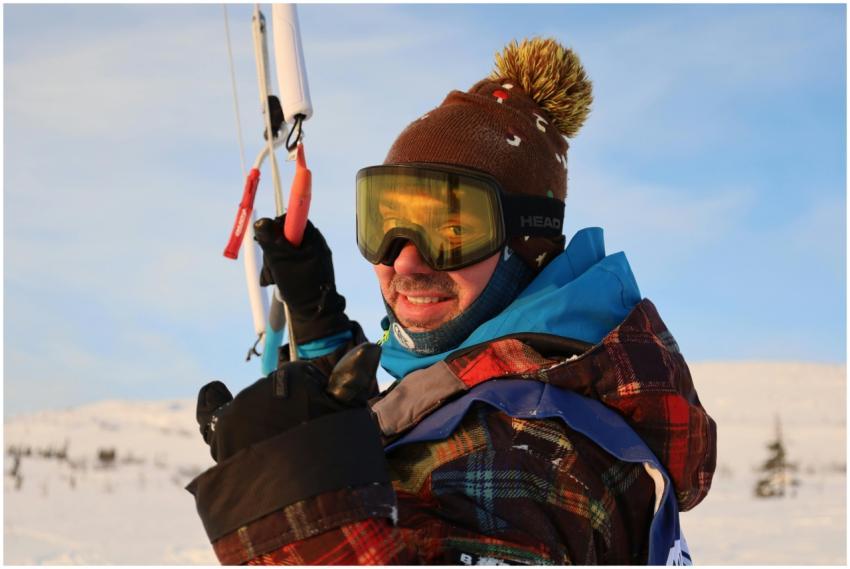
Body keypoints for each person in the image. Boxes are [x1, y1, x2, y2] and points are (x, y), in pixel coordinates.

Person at [188, 37, 716, 565]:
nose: (405, 263)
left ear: (526, 241)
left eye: (453, 228)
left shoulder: (533, 456)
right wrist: (319, 324)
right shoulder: (546, 387)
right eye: (386, 224)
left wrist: (284, 495)